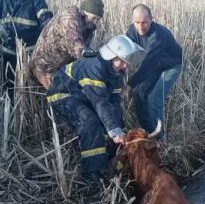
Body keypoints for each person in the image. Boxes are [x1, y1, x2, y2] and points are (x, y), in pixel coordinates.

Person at [45, 35, 144, 189]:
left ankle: (111, 159)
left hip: (84, 96)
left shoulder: (117, 74)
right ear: (111, 56)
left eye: (125, 62)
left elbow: (114, 103)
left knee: (111, 123)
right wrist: (113, 131)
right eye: (121, 61)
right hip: (63, 93)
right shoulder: (95, 67)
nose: (124, 65)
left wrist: (120, 129)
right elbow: (100, 103)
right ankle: (92, 173)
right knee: (90, 121)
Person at [125, 4, 182, 140]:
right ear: (133, 21)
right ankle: (148, 133)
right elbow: (124, 53)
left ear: (151, 20)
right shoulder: (132, 31)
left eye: (145, 22)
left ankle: (160, 140)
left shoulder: (158, 35)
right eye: (137, 22)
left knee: (154, 99)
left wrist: (129, 84)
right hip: (155, 65)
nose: (140, 27)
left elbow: (147, 66)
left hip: (171, 65)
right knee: (138, 93)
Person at [0, 0, 53, 97]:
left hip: (29, 53)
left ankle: (31, 110)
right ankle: (9, 108)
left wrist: (48, 25)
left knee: (30, 88)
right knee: (8, 85)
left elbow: (46, 18)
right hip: (7, 51)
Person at [30, 0, 105, 90]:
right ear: (85, 12)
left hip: (60, 69)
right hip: (45, 67)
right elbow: (77, 47)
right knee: (59, 98)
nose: (96, 22)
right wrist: (93, 59)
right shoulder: (70, 17)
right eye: (94, 18)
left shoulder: (88, 28)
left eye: (98, 19)